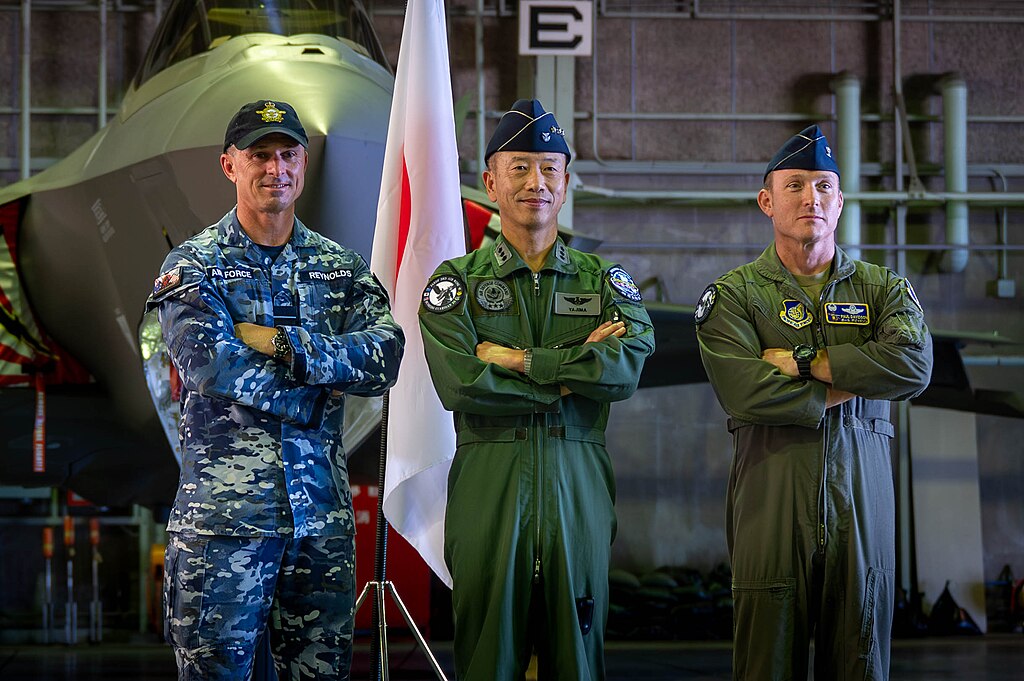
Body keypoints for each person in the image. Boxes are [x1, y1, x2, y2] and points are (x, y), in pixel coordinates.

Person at [145, 99, 404, 680]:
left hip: (320, 526)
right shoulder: (194, 267)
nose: (275, 168)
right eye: (259, 155)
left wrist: (288, 347)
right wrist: (327, 383)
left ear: (303, 164)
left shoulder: (339, 267)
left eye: (288, 154)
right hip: (224, 529)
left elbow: (386, 356)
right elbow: (212, 368)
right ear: (229, 165)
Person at [418, 99, 655, 680]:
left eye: (550, 168)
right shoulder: (455, 284)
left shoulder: (604, 282)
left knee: (578, 656)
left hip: (578, 484)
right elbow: (463, 384)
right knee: (487, 656)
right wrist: (576, 368)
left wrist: (521, 360)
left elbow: (624, 371)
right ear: (490, 181)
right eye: (519, 167)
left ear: (566, 183)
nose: (536, 182)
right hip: (489, 483)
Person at [695, 125, 933, 680]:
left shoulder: (884, 290)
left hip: (862, 508)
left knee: (860, 662)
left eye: (824, 185)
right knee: (764, 665)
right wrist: (864, 373)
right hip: (770, 503)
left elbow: (915, 367)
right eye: (795, 185)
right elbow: (746, 392)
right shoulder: (733, 296)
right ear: (766, 201)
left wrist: (801, 364)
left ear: (841, 200)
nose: (811, 198)